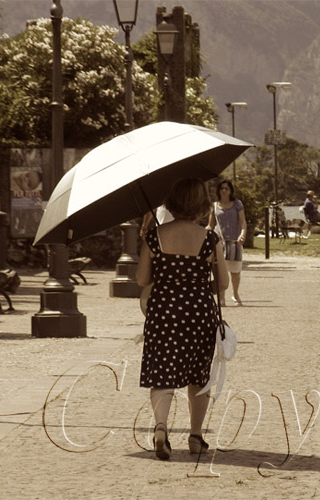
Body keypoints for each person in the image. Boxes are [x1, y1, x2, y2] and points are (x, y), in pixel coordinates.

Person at [136, 178, 229, 460]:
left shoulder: (154, 237)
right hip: (199, 312)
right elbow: (223, 283)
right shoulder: (210, 239)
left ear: (171, 202)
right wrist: (197, 286)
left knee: (162, 370)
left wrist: (167, 279)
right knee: (198, 376)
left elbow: (141, 279)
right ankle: (195, 436)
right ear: (201, 204)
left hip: (163, 310)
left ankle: (161, 428)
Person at [206, 179, 246, 306]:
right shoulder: (215, 206)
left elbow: (243, 222)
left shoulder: (237, 204)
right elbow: (210, 225)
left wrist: (242, 234)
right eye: (222, 188)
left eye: (226, 188)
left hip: (234, 241)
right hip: (219, 242)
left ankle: (235, 293)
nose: (224, 190)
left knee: (235, 270)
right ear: (218, 190)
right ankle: (221, 297)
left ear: (230, 191)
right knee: (219, 270)